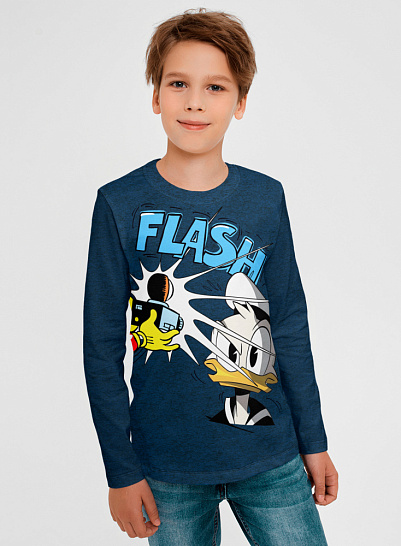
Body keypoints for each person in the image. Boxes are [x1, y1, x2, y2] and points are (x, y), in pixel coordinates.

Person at [83, 7, 338, 545]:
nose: (195, 102)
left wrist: (314, 440)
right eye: (178, 83)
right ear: (156, 96)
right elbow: (100, 348)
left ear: (240, 102)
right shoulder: (119, 203)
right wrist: (120, 470)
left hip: (270, 453)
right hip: (166, 467)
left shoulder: (266, 198)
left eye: (215, 87)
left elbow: (289, 325)